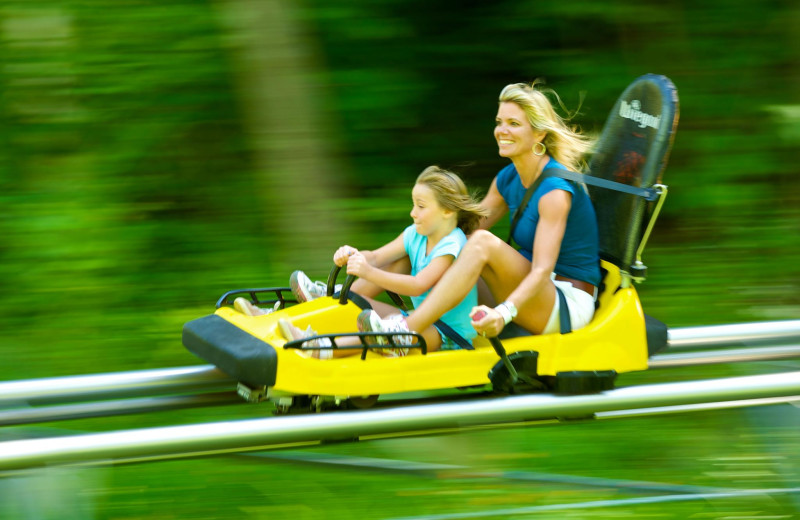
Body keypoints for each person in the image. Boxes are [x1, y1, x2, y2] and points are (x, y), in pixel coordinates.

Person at [360, 80, 601, 342]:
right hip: (529, 290)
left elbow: (542, 270)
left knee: (482, 242)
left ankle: (407, 330)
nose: (502, 131)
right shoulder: (507, 179)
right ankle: (343, 300)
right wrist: (376, 256)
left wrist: (503, 313)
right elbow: (458, 232)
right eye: (499, 122)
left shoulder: (555, 192)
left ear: (539, 134)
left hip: (564, 303)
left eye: (514, 124)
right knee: (427, 235)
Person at [237, 165, 488, 357]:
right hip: (416, 318)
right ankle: (285, 316)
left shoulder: (453, 244)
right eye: (413, 205)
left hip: (446, 334)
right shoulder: (415, 234)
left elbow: (419, 284)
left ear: (447, 211)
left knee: (378, 331)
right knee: (355, 304)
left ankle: (322, 348)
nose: (413, 213)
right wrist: (355, 255)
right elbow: (378, 256)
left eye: (421, 206)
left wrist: (368, 272)